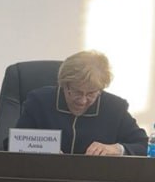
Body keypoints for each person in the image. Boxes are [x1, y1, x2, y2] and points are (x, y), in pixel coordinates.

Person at [15, 50, 147, 155]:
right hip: (45, 177)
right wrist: (41, 149)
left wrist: (117, 149)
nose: (83, 101)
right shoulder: (39, 101)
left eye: (91, 93)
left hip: (96, 179)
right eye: (76, 92)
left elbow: (144, 146)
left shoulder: (115, 108)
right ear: (64, 85)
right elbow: (12, 143)